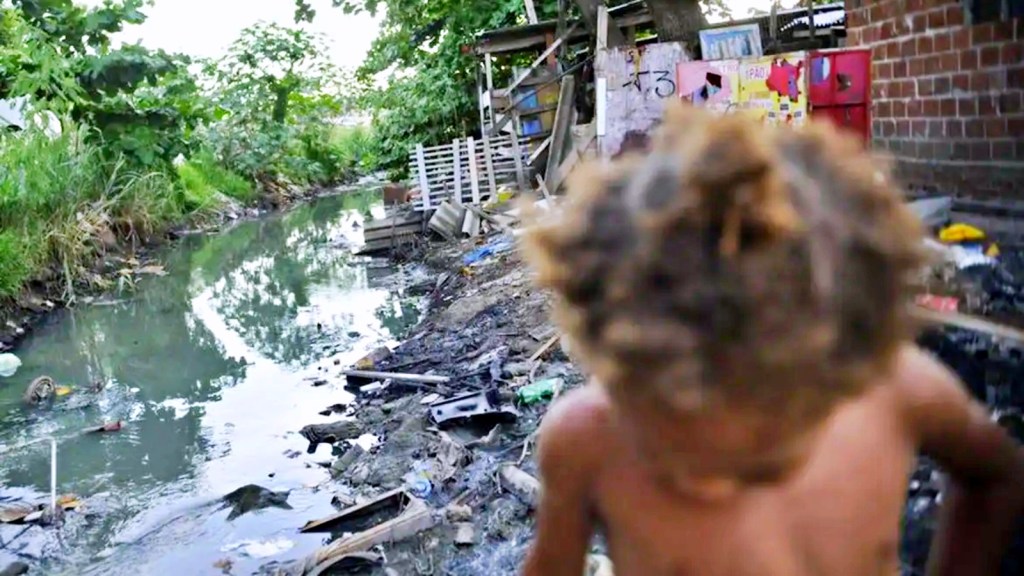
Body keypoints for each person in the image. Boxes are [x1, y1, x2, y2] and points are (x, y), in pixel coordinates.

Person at [520, 102, 1024, 576]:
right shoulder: (586, 440)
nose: (710, 488)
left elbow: (996, 476)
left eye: (765, 458)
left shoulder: (895, 389)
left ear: (837, 374)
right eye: (678, 448)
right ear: (615, 372)